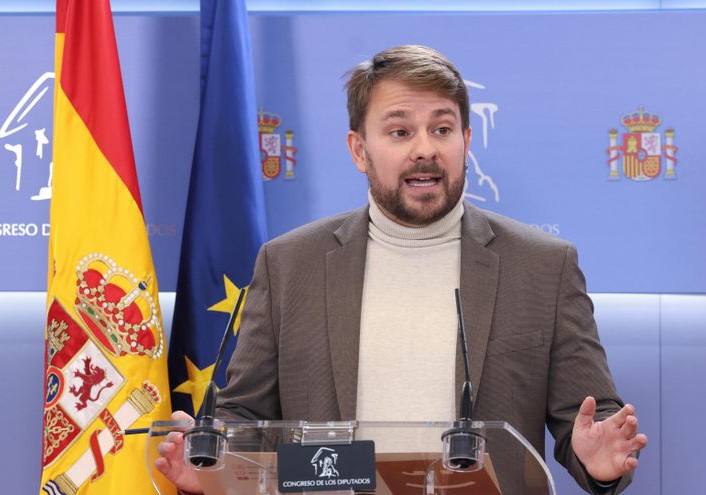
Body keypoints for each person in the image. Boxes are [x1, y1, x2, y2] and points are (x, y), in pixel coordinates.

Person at [157, 45, 647, 494]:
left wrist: (598, 459)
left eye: (442, 128)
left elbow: (590, 416)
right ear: (359, 150)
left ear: (466, 140)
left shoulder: (543, 266)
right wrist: (212, 464)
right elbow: (245, 416)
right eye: (399, 131)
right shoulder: (289, 264)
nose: (425, 149)